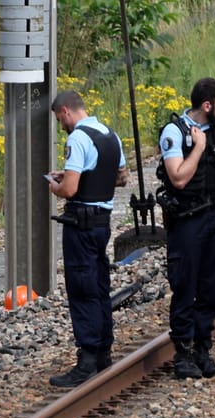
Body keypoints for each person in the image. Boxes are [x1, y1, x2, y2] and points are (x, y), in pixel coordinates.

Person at [156, 77, 215, 378]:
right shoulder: (175, 133)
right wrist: (198, 149)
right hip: (187, 222)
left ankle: (202, 350)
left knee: (210, 288)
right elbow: (178, 177)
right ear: (207, 106)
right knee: (185, 286)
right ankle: (183, 354)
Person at [45, 89, 127, 388]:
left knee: (81, 287)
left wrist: (56, 185)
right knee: (99, 284)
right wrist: (70, 174)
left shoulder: (78, 138)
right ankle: (104, 351)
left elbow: (69, 190)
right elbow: (121, 177)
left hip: (80, 224)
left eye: (59, 119)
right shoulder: (110, 135)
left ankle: (87, 358)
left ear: (66, 111)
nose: (60, 125)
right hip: (102, 223)